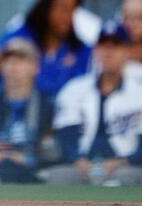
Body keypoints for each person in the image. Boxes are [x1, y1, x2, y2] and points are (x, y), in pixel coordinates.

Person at [45, 23, 142, 186]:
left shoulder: (138, 93)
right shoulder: (74, 89)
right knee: (58, 176)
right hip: (81, 165)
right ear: (95, 51)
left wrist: (122, 162)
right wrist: (79, 162)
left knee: (128, 178)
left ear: (127, 51)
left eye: (115, 46)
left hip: (126, 166)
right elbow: (65, 136)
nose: (108, 52)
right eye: (103, 46)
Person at [0, 38, 55, 184]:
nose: (13, 67)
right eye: (8, 61)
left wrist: (26, 158)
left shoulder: (48, 107)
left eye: (21, 61)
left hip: (33, 170)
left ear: (36, 67)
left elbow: (53, 149)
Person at [0, 0, 91, 97]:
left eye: (73, 10)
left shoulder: (80, 49)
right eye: (63, 8)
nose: (68, 17)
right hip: (26, 108)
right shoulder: (20, 37)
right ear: (46, 9)